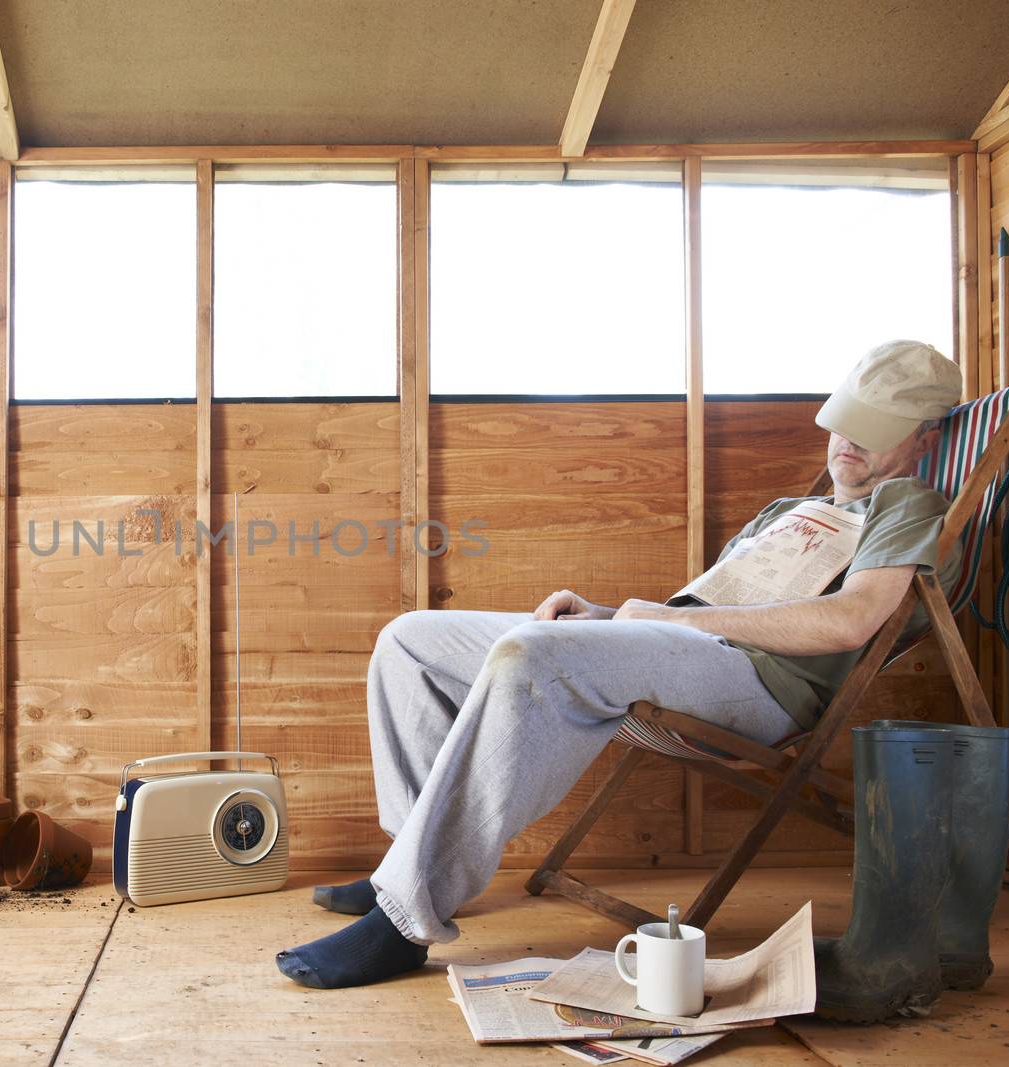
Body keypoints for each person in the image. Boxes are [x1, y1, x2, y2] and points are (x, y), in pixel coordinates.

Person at [274, 339, 965, 989]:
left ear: (926, 436)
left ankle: (403, 919)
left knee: (531, 655)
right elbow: (700, 607)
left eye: (877, 426)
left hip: (760, 684)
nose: (848, 439)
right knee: (409, 639)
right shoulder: (792, 508)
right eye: (847, 418)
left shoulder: (907, 504)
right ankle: (407, 860)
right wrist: (605, 615)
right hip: (690, 651)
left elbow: (851, 618)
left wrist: (665, 620)